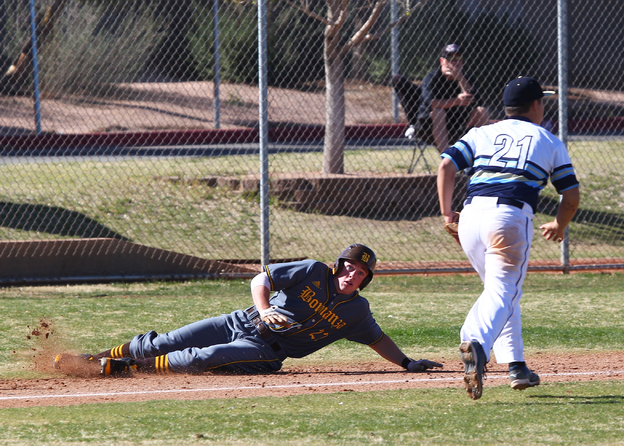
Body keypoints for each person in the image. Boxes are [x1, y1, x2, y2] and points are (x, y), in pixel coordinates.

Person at [54, 244, 443, 376]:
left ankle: (123, 371)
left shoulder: (356, 311)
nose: (353, 276)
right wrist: (264, 309)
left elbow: (378, 339)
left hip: (265, 352)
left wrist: (408, 363)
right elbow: (262, 280)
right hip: (241, 320)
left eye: (361, 274)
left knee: (199, 358)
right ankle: (95, 359)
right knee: (167, 340)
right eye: (350, 268)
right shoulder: (311, 271)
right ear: (338, 265)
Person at [436, 76, 580, 400]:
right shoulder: (548, 139)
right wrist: (559, 224)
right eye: (543, 101)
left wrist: (448, 215)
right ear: (536, 105)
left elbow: (446, 165)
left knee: (501, 293)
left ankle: (516, 367)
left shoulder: (482, 132)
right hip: (509, 217)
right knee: (503, 292)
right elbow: (570, 196)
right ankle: (476, 342)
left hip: (470, 216)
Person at [392, 43, 489, 153]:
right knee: (438, 112)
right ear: (442, 61)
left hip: (459, 127)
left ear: (462, 62)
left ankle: (478, 157)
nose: (453, 62)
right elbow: (429, 103)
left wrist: (460, 78)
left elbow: (476, 101)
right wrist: (456, 101)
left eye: (457, 58)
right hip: (429, 128)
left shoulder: (466, 79)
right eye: (449, 58)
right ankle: (447, 159)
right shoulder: (432, 78)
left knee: (482, 112)